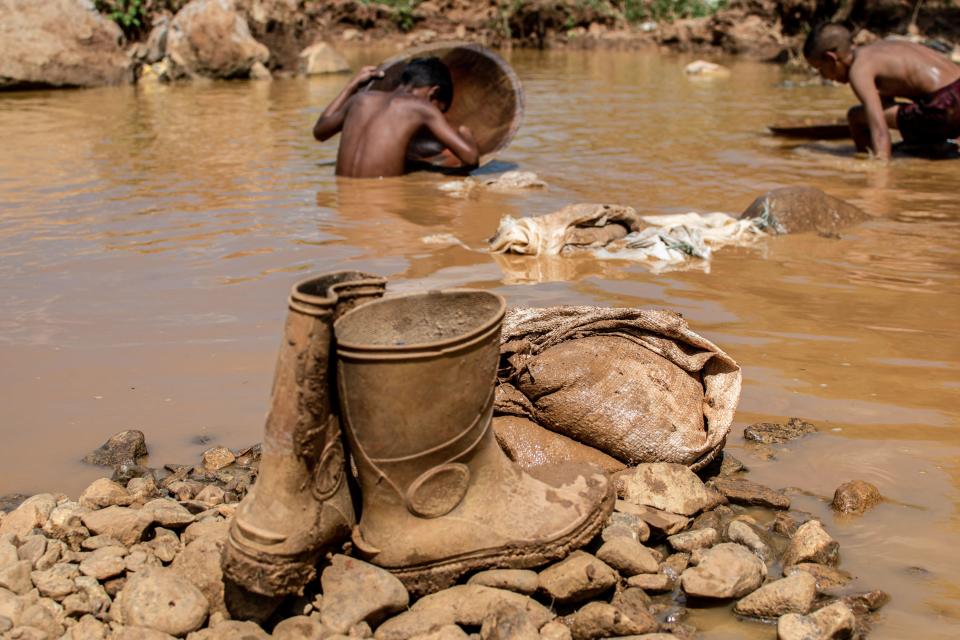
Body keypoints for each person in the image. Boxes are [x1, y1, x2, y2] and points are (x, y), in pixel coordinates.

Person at [803, 22, 960, 160]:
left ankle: (869, 156)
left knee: (856, 116)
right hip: (954, 94)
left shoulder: (859, 70)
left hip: (946, 106)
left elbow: (879, 129)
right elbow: (888, 103)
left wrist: (880, 168)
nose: (823, 76)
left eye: (820, 69)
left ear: (831, 58)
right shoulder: (880, 50)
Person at [313, 57, 480, 178]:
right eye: (440, 110)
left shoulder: (361, 99)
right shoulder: (422, 107)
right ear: (433, 92)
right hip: (380, 209)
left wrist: (352, 85)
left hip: (343, 208)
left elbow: (319, 131)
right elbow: (471, 158)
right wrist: (466, 132)